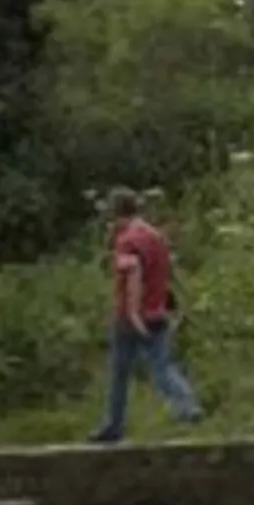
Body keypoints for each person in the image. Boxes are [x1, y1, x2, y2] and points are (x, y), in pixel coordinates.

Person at [87, 187, 203, 444]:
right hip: (158, 311)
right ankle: (188, 405)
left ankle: (114, 425)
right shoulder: (155, 236)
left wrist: (132, 313)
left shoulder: (127, 241)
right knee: (163, 366)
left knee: (120, 372)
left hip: (132, 317)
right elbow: (170, 270)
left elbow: (133, 275)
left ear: (116, 214)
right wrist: (182, 301)